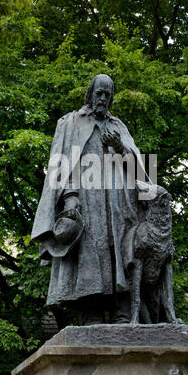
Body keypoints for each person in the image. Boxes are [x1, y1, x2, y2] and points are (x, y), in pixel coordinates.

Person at [31, 74, 147, 325]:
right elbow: (60, 163)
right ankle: (91, 311)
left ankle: (123, 311)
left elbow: (140, 171)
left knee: (120, 251)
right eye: (99, 93)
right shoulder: (70, 123)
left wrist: (120, 147)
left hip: (119, 203)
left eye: (108, 94)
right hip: (86, 200)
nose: (103, 98)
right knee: (90, 253)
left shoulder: (119, 127)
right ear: (90, 93)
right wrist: (70, 196)